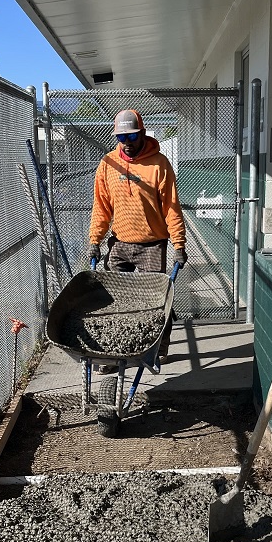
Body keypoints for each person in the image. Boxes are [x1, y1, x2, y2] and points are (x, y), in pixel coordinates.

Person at [89, 109, 187, 369]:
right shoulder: (108, 164)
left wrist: (179, 244)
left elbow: (171, 207)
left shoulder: (159, 164)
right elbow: (101, 207)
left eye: (132, 136)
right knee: (114, 299)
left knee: (156, 301)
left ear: (142, 133)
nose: (128, 143)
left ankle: (157, 347)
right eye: (122, 137)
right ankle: (113, 353)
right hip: (119, 243)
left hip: (153, 244)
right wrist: (95, 241)